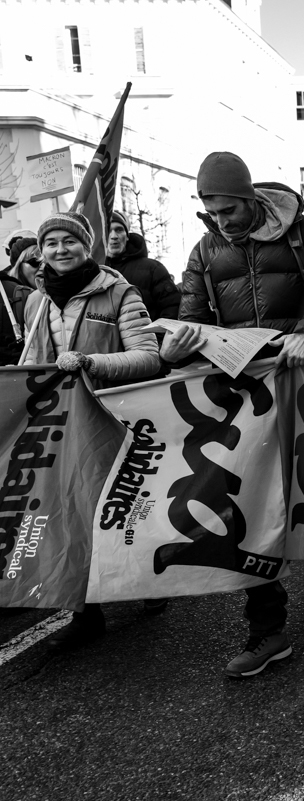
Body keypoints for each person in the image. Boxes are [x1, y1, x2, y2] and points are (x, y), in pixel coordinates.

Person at [160, 151, 304, 678]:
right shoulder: (204, 251)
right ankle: (267, 631)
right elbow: (193, 321)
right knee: (245, 506)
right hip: (243, 400)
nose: (221, 222)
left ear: (250, 198)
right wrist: (178, 347)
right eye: (211, 213)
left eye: (229, 210)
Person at [20, 212, 161, 647]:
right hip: (61, 424)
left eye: (69, 241)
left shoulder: (119, 292)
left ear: (86, 246)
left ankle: (150, 580)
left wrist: (89, 363)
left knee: (123, 507)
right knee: (69, 510)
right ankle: (84, 613)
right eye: (51, 243)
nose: (60, 250)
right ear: (41, 252)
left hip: (113, 417)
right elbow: (33, 363)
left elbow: (148, 356)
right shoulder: (36, 302)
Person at [104, 210, 181, 321]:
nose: (114, 236)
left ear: (127, 236)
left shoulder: (153, 269)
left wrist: (156, 332)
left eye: (119, 230)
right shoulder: (94, 272)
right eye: (108, 230)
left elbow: (172, 309)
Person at [1, 234, 38, 365]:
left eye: (47, 262)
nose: (43, 267)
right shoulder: (6, 292)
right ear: (18, 265)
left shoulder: (48, 296)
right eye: (35, 262)